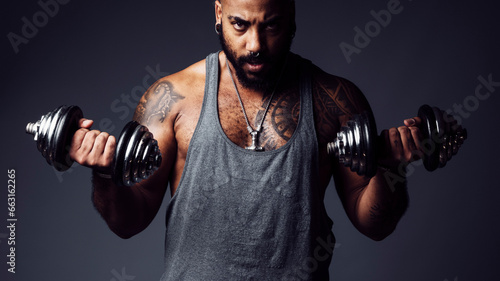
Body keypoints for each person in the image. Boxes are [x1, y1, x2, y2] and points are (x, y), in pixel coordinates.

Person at [69, 0, 422, 280]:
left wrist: (391, 170)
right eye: (241, 24)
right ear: (219, 12)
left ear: (292, 17)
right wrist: (104, 176)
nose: (256, 45)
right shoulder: (171, 99)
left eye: (272, 25)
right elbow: (129, 222)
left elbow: (376, 224)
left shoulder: (336, 100)